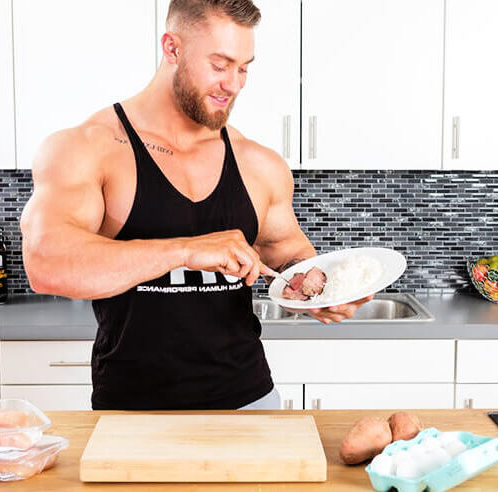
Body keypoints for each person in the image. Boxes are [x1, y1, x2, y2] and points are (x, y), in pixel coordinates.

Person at [20, 0, 373, 411]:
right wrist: (187, 249)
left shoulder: (258, 162)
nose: (234, 85)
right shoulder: (88, 147)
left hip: (250, 402)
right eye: (220, 65)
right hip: (132, 412)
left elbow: (287, 252)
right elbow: (45, 263)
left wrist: (321, 287)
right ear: (172, 48)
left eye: (244, 68)